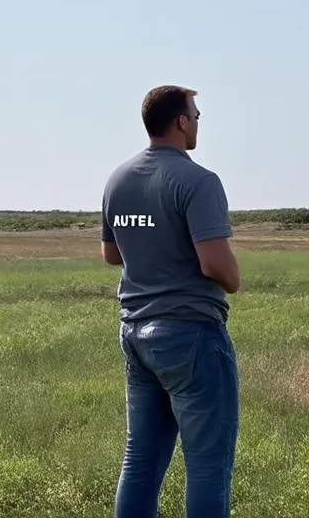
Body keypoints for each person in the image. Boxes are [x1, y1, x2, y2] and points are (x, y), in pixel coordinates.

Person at [100, 84, 240, 518]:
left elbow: (111, 254)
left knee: (140, 459)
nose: (197, 123)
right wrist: (234, 278)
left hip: (136, 335)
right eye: (195, 115)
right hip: (191, 334)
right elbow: (217, 265)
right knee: (207, 466)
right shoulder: (198, 181)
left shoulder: (118, 180)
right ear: (180, 122)